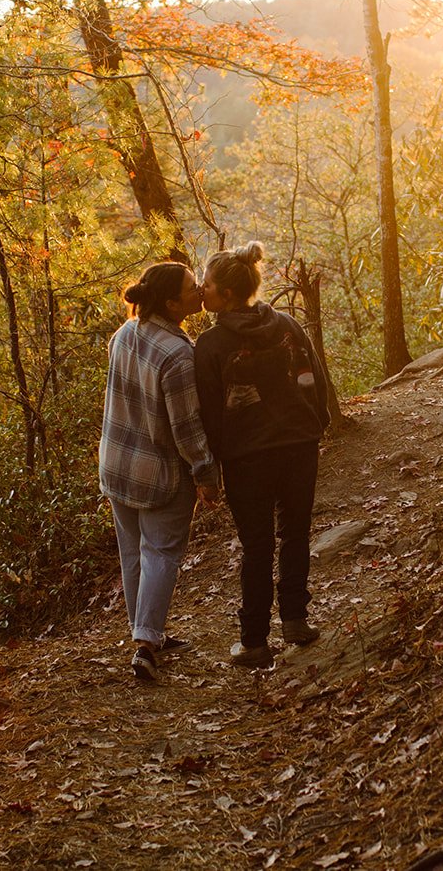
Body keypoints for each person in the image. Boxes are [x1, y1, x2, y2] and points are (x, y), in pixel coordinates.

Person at [194, 242, 329, 668]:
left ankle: (254, 641)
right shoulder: (287, 324)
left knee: (256, 547)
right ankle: (295, 620)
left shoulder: (211, 345)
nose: (201, 289)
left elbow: (209, 410)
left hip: (247, 457)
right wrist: (316, 424)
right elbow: (315, 377)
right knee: (295, 533)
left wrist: (217, 460)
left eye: (208, 284)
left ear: (227, 296)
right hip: (298, 446)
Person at [99, 261, 221, 682]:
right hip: (158, 475)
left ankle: (145, 632)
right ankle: (145, 644)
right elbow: (186, 429)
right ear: (172, 304)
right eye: (192, 288)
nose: (201, 290)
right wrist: (206, 474)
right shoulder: (178, 355)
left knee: (134, 554)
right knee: (162, 553)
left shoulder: (123, 335)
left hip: (116, 466)